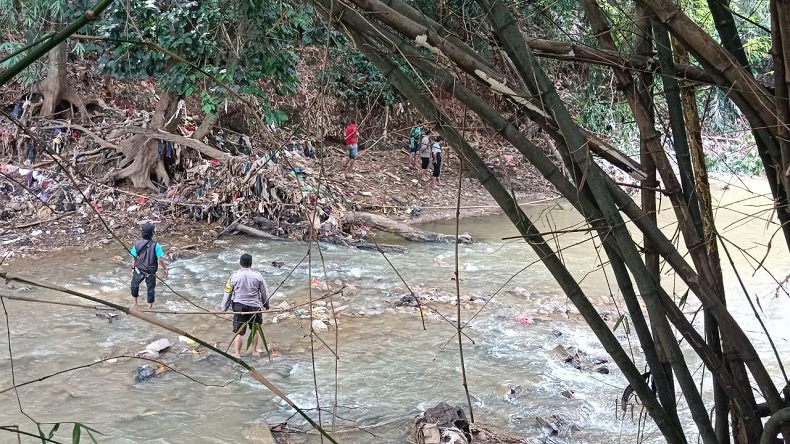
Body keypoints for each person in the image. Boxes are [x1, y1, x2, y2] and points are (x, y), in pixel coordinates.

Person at [221, 253, 271, 358]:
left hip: (239, 307)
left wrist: (224, 308)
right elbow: (264, 292)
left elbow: (228, 292)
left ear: (240, 264)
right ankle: (254, 351)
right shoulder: (258, 276)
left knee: (239, 332)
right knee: (255, 329)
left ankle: (237, 354)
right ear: (251, 264)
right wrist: (266, 304)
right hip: (255, 307)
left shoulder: (233, 277)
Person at [130, 222, 168, 308]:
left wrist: (133, 268)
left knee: (134, 286)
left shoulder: (137, 244)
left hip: (139, 270)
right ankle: (149, 307)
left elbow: (133, 258)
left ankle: (135, 303)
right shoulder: (156, 245)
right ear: (152, 234)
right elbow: (160, 259)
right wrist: (165, 268)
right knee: (150, 290)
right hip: (150, 271)